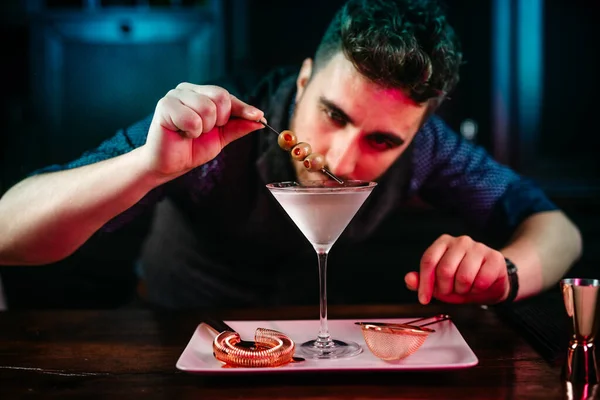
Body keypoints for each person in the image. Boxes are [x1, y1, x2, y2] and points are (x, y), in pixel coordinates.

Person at [0, 0, 582, 309]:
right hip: (175, 338)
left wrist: (506, 274)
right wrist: (147, 167)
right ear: (304, 80)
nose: (344, 160)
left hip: (315, 361)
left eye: (383, 140)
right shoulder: (216, 132)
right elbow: (9, 231)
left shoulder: (425, 147)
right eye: (334, 113)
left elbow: (555, 228)